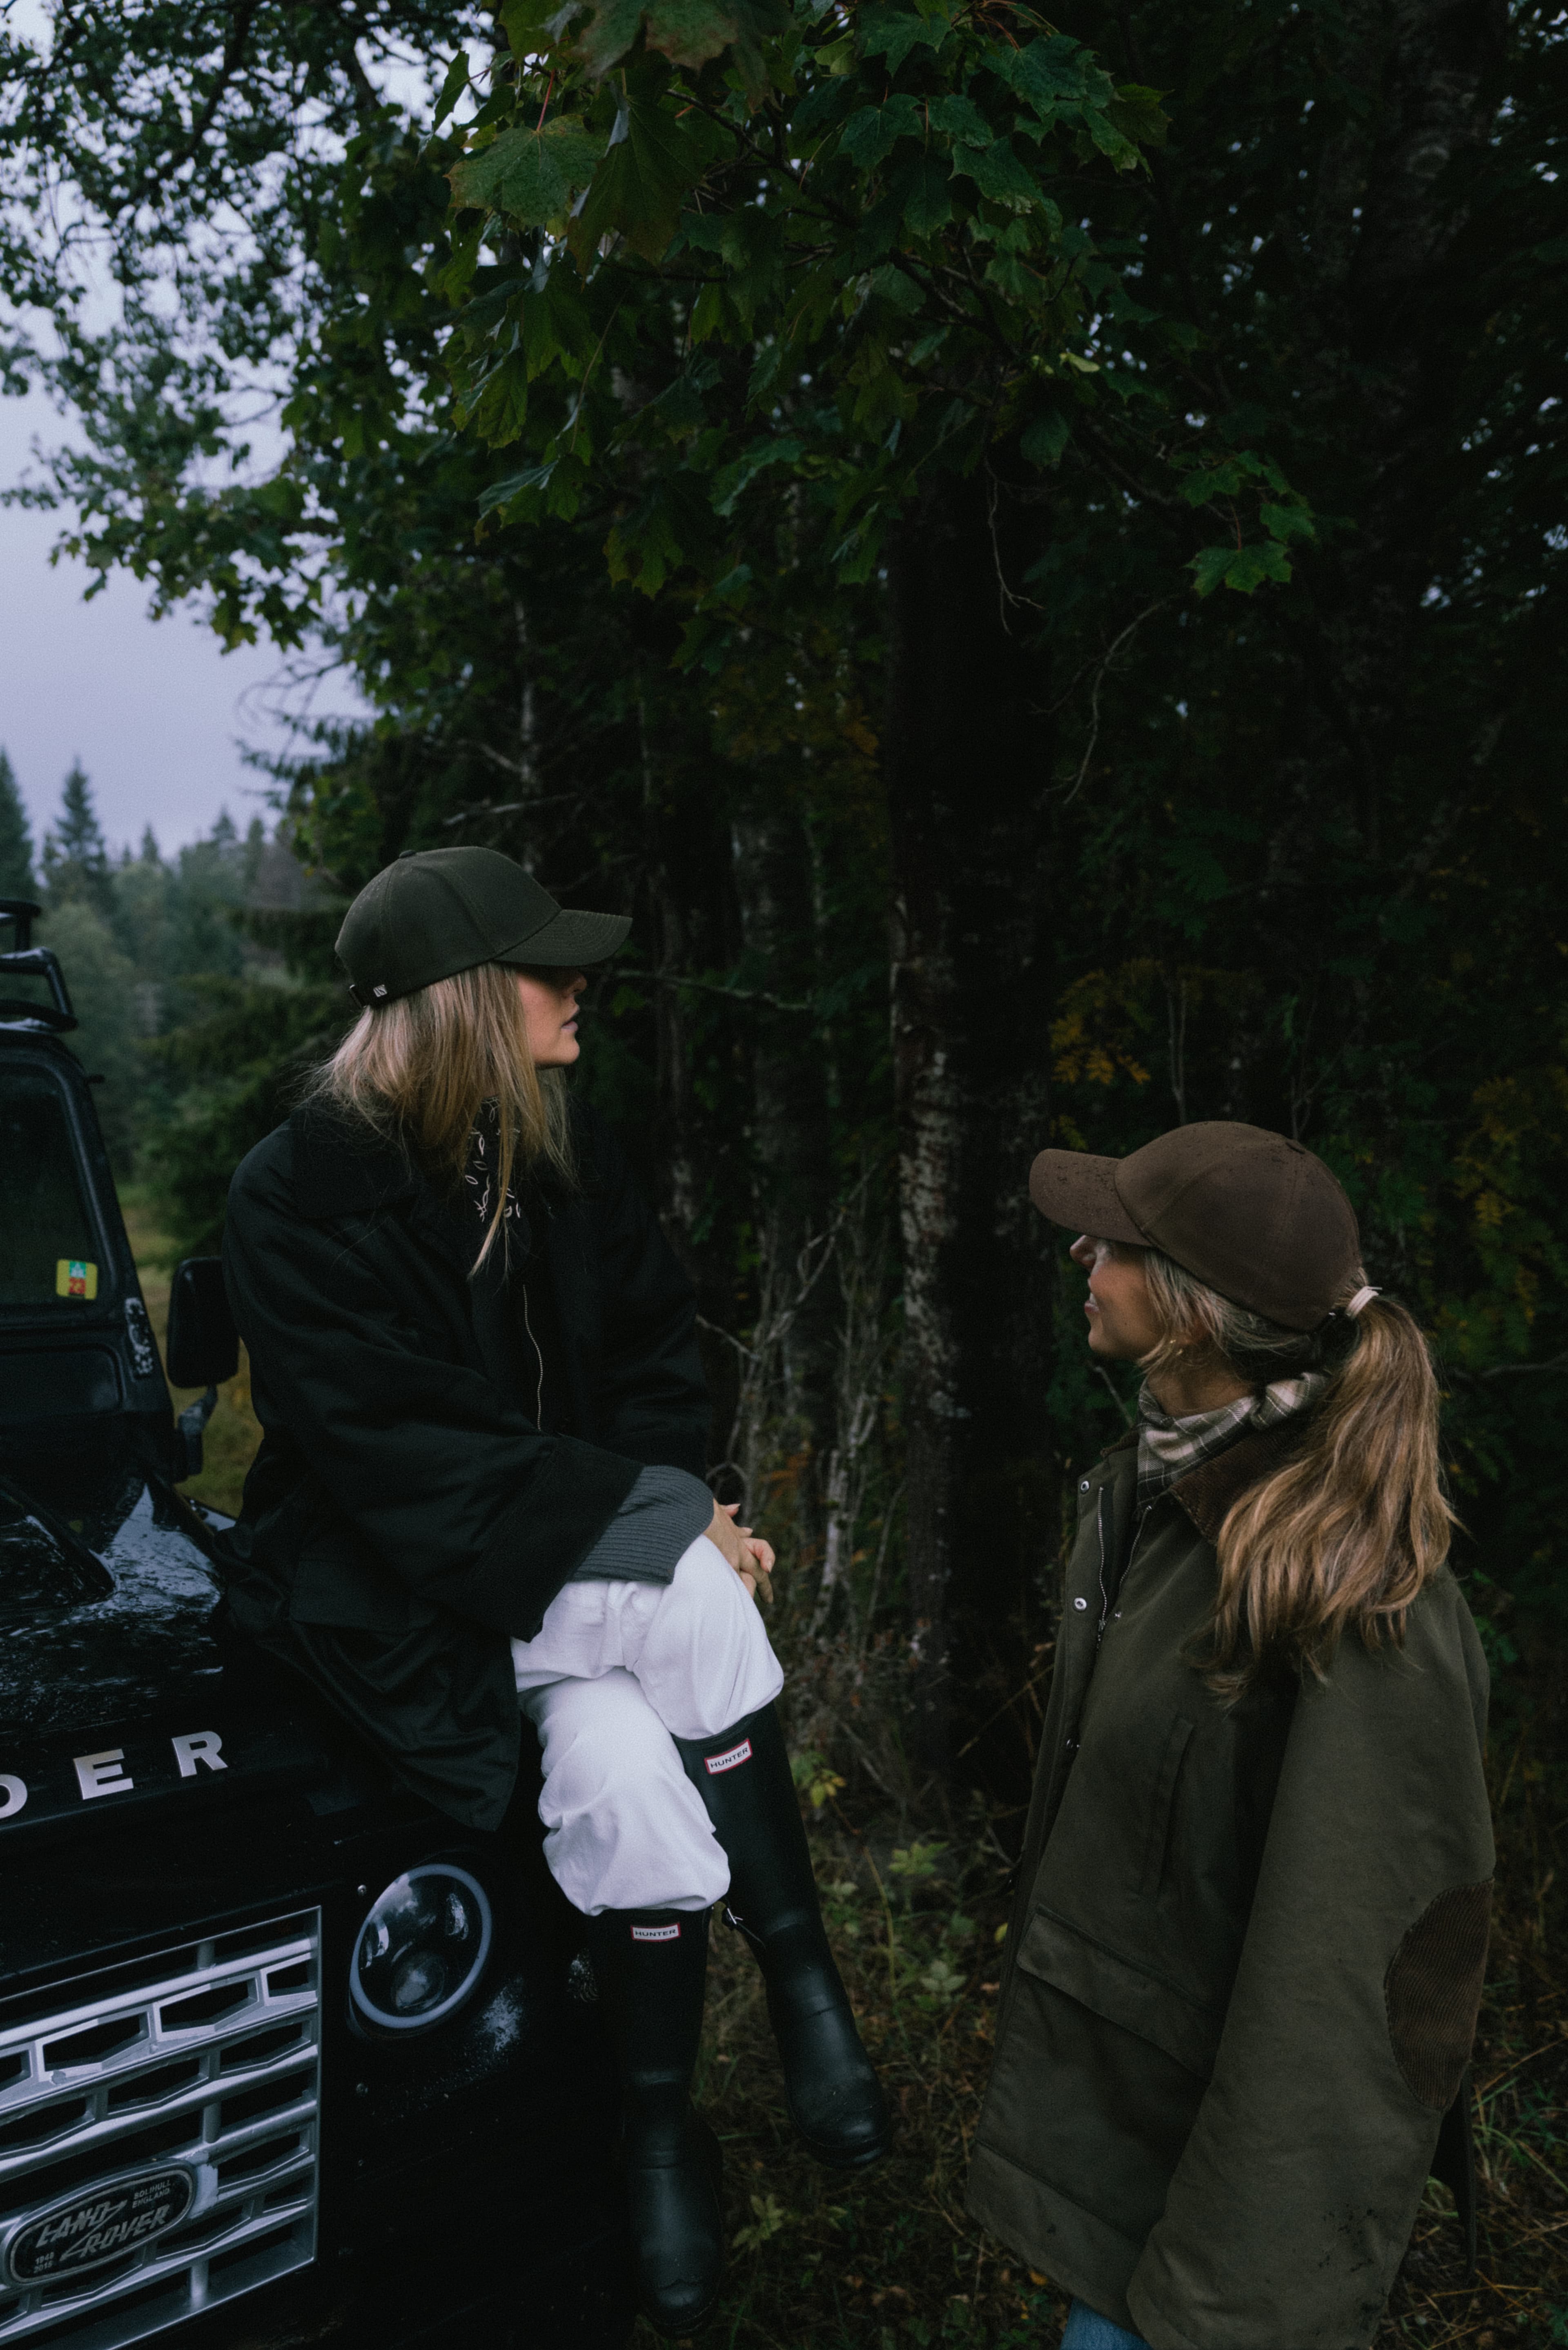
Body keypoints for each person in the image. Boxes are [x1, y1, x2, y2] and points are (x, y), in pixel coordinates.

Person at [217, 847, 890, 2334]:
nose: (580, 987)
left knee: (630, 1781)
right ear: (461, 997)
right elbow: (414, 1467)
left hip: (561, 1589)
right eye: (547, 967)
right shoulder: (292, 1198)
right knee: (701, 1601)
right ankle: (806, 1987)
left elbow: (655, 1348)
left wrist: (686, 1491)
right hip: (407, 1602)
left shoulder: (548, 1147)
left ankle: (655, 2136)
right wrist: (673, 1523)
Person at [966, 1122, 1493, 2350]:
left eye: (1117, 1241)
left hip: (1213, 2268)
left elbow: (1348, 2004)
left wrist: (1220, 2306)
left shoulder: (1356, 1601)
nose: (1081, 1253)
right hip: (1134, 2173)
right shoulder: (1151, 1499)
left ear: (1192, 1315)